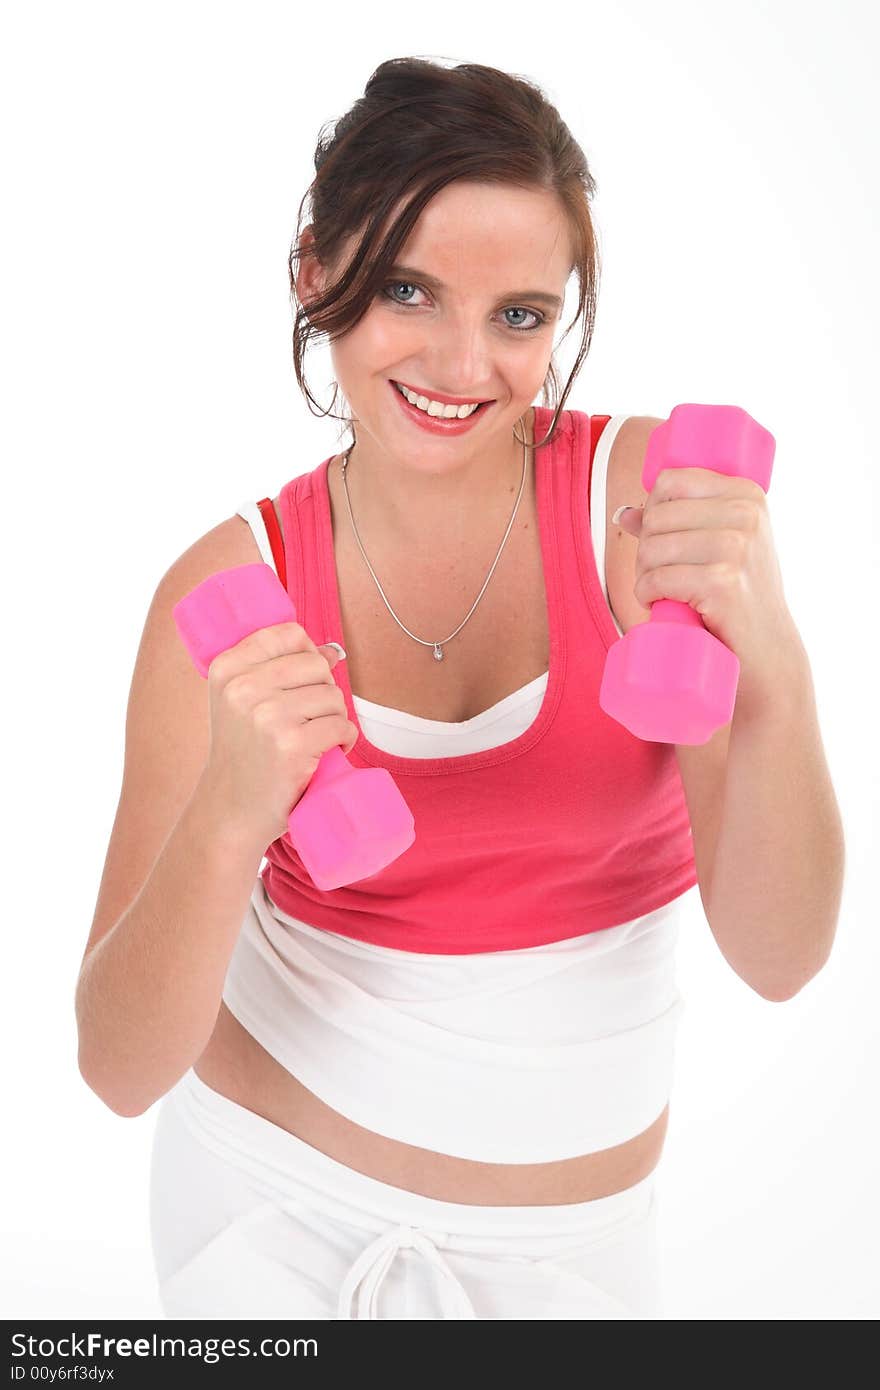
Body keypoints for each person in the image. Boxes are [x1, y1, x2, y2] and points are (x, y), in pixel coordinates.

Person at [74, 56, 839, 1321]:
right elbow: (115, 1064)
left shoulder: (646, 519)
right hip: (262, 1220)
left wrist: (777, 661)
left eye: (522, 315)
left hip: (572, 1261)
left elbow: (780, 955)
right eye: (408, 289)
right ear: (316, 271)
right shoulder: (229, 589)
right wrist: (227, 815)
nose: (462, 362)